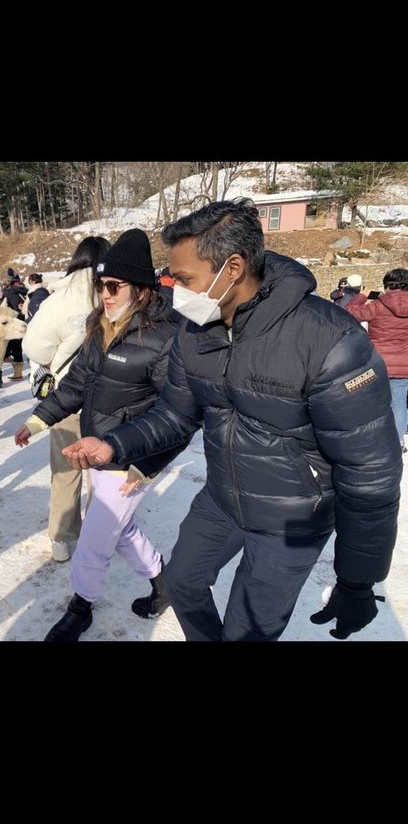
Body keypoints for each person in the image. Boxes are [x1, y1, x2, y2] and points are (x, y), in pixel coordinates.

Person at [62, 199, 402, 642]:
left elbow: (371, 472)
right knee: (182, 583)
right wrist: (115, 444)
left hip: (292, 517)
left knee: (247, 631)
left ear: (233, 268)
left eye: (183, 279)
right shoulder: (195, 330)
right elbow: (175, 411)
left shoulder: (328, 341)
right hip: (222, 499)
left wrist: (358, 580)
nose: (173, 289)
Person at [15, 228, 184, 641]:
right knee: (119, 529)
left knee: (96, 534)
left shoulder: (164, 337)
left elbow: (178, 415)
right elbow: (76, 383)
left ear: (141, 288)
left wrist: (145, 467)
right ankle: (164, 583)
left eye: (113, 286)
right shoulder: (100, 323)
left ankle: (80, 606)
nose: (104, 294)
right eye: (100, 285)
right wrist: (39, 419)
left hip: (131, 457)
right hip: (95, 448)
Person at [21, 236, 110, 562]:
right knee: (102, 472)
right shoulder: (115, 290)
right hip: (110, 397)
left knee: (65, 469)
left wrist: (56, 360)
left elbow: (34, 348)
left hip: (67, 397)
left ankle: (61, 537)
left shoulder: (58, 299)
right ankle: (99, 535)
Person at [344, 268, 408, 453]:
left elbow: (349, 312)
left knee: (374, 402)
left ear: (387, 285)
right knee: (399, 403)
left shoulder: (378, 305)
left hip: (379, 362)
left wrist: (361, 296)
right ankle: (398, 442)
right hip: (404, 364)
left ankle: (372, 439)